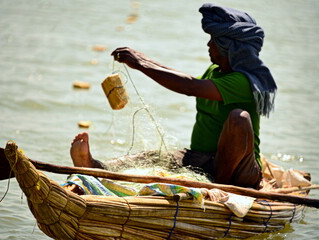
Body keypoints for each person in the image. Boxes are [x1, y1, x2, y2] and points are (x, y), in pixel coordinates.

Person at [70, 3, 277, 190]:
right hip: (201, 160)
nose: (208, 45)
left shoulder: (243, 81)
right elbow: (188, 80)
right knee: (153, 158)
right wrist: (144, 61)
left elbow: (189, 86)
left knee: (239, 118)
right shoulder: (215, 71)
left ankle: (219, 188)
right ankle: (96, 167)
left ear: (228, 47)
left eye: (213, 41)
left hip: (238, 171)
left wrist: (141, 63)